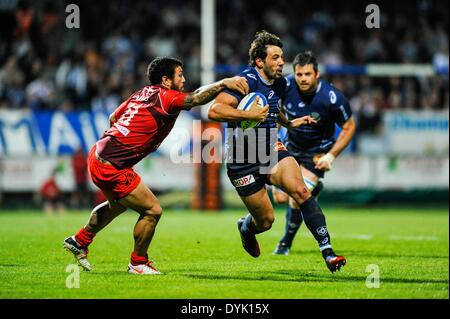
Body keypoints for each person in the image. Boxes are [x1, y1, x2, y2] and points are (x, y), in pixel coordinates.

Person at [63, 56, 249, 275]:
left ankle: (80, 240)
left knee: (119, 204)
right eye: (180, 74)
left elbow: (114, 117)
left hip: (99, 154)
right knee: (153, 210)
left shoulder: (142, 93)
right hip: (111, 164)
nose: (184, 79)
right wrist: (223, 83)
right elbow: (196, 99)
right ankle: (138, 263)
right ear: (166, 79)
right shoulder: (166, 97)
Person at [208, 31, 346, 273]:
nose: (282, 62)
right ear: (260, 62)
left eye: (282, 57)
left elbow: (273, 107)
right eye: (275, 58)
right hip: (241, 156)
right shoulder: (245, 81)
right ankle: (246, 227)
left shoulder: (281, 83)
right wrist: (248, 115)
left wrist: (289, 123)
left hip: (270, 146)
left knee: (301, 191)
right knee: (266, 221)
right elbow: (215, 111)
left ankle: (328, 252)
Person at [271, 51, 356, 256]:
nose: (303, 79)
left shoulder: (332, 97)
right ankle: (313, 191)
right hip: (290, 147)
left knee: (296, 198)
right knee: (280, 198)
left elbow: (349, 127)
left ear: (316, 74)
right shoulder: (285, 86)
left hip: (316, 155)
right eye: (299, 74)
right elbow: (273, 110)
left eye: (307, 74)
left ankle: (285, 243)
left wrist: (331, 156)